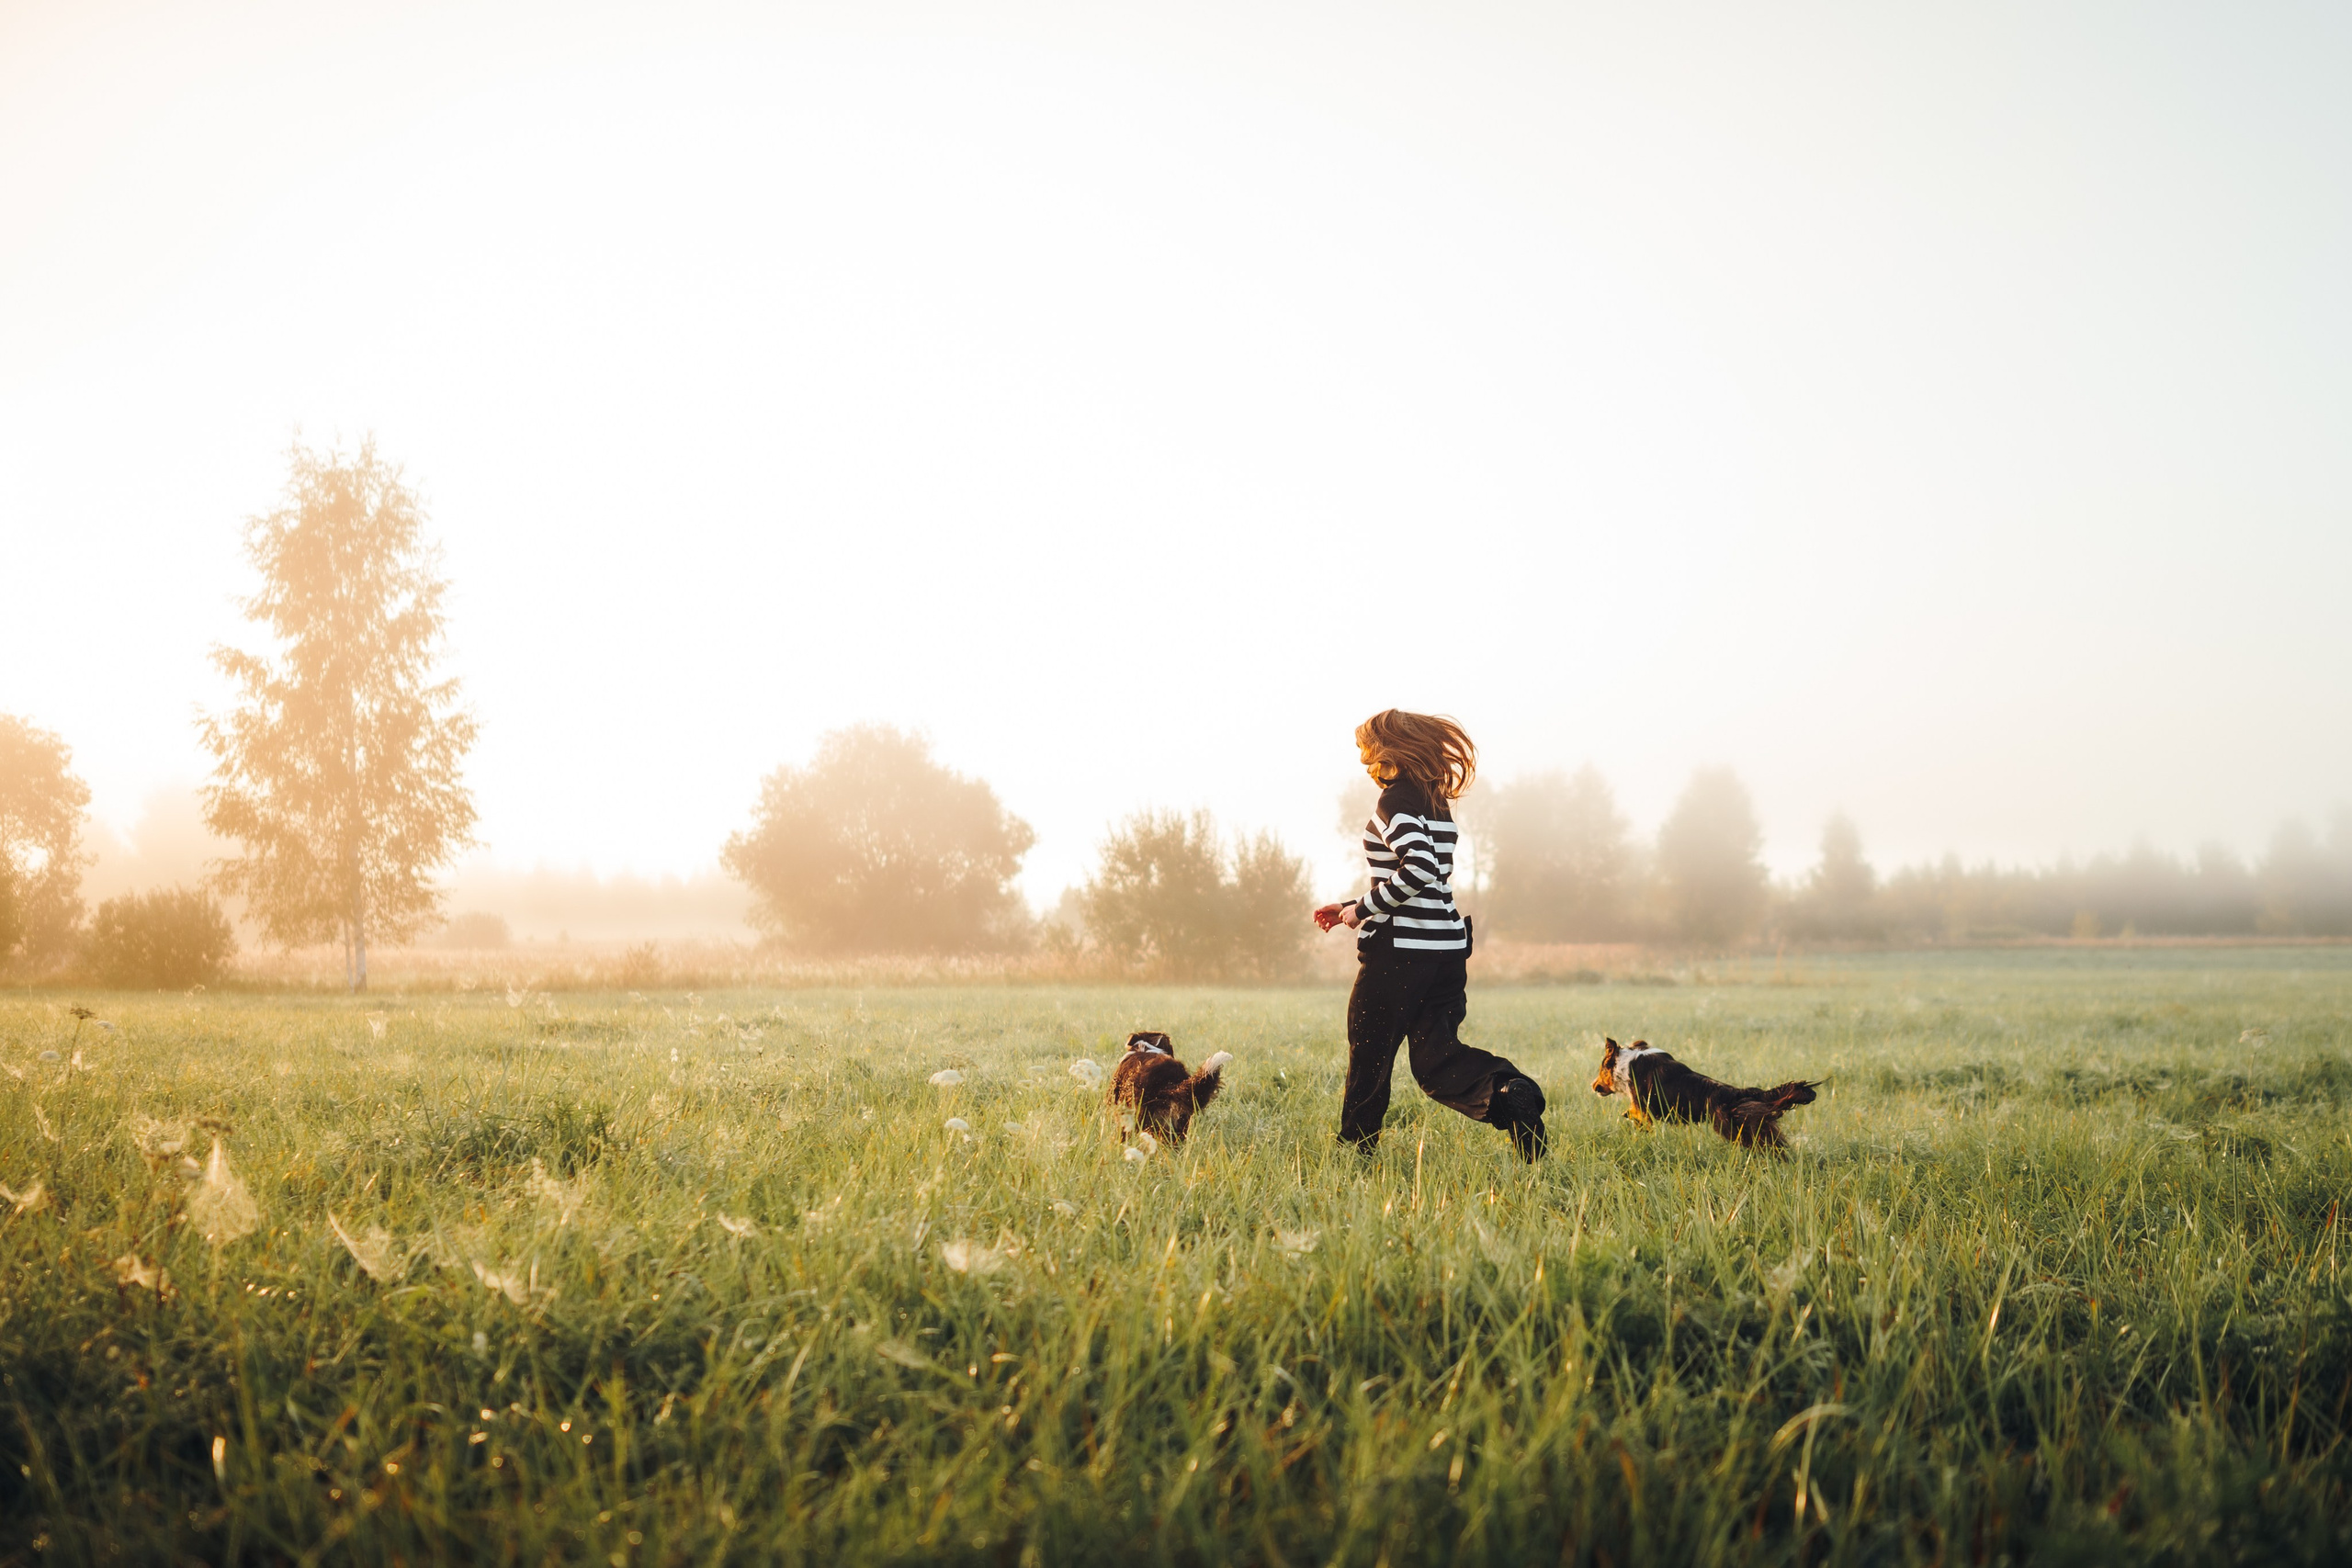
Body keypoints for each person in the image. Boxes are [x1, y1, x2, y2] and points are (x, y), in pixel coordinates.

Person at [1314, 710, 1548, 1161]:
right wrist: (1348, 904)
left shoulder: (1394, 802)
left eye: (1370, 754)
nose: (1365, 765)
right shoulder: (1435, 803)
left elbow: (1416, 870)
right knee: (1436, 1060)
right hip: (1445, 952)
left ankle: (1355, 1152)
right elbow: (1426, 879)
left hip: (1399, 956)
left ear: (1393, 755)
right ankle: (1507, 1092)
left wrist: (1361, 912)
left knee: (1370, 1054)